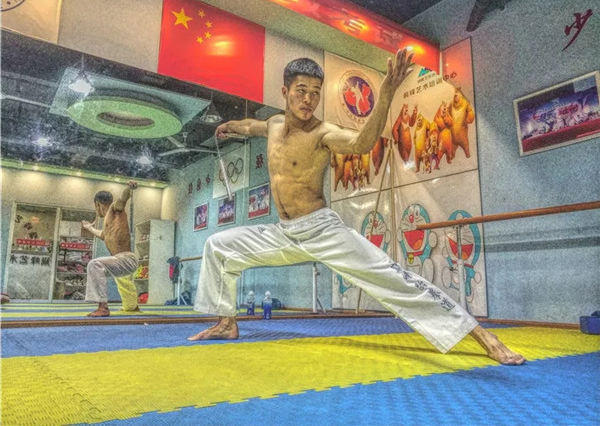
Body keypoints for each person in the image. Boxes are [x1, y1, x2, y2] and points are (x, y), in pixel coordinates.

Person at [188, 48, 525, 365]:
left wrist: (387, 94)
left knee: (396, 279)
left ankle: (485, 337)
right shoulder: (275, 125)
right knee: (218, 245)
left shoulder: (323, 133)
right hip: (284, 232)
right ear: (285, 91)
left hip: (321, 230)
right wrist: (231, 127)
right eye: (301, 91)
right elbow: (253, 126)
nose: (308, 99)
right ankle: (226, 323)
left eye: (315, 93)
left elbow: (362, 143)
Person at [82, 181, 140, 317]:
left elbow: (123, 199)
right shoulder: (109, 221)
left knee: (95, 264)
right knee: (97, 268)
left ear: (97, 204)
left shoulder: (114, 208)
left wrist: (129, 188)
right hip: (119, 260)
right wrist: (89, 228)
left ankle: (103, 308)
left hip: (127, 259)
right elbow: (102, 235)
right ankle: (131, 306)